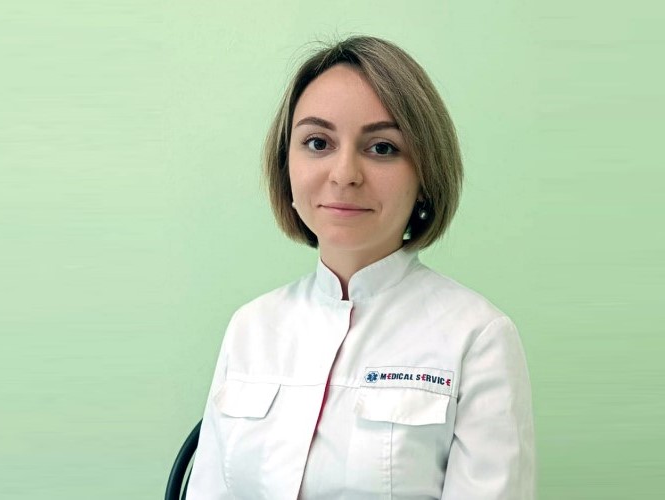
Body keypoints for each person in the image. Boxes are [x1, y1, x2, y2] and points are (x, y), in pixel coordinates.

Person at [186, 35, 535, 499]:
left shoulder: (478, 338)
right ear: (285, 166)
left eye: (382, 148)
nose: (345, 174)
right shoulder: (250, 328)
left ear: (425, 174)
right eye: (318, 143)